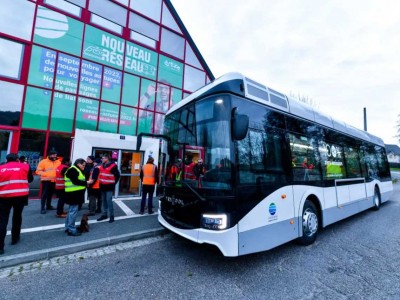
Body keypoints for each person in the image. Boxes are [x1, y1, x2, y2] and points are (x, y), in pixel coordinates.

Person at [0, 153, 33, 255]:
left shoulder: (1, 168)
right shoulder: (25, 166)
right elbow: (30, 179)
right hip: (20, 195)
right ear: (18, 159)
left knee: (2, 220)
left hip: (3, 196)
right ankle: (15, 238)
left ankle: (0, 247)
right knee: (17, 216)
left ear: (7, 160)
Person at [64, 158, 90, 236]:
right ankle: (71, 229)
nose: (84, 167)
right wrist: (86, 182)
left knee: (71, 212)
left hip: (74, 194)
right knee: (73, 212)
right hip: (73, 194)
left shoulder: (75, 169)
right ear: (78, 164)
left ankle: (68, 228)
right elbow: (75, 181)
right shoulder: (73, 170)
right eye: (83, 165)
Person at [97, 154, 120, 223]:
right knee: (103, 201)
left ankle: (111, 216)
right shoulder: (102, 165)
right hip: (102, 186)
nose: (102, 159)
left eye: (103, 158)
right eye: (102, 158)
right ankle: (104, 214)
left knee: (108, 201)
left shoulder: (113, 166)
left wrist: (113, 183)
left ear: (107, 159)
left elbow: (117, 176)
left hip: (109, 186)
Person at [36, 150, 61, 214]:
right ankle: (42, 208)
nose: (55, 156)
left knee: (50, 194)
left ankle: (48, 206)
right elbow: (38, 171)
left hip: (54, 181)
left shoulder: (58, 162)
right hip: (46, 181)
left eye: (55, 155)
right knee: (44, 195)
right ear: (49, 155)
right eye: (53, 155)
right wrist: (46, 174)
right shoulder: (43, 162)